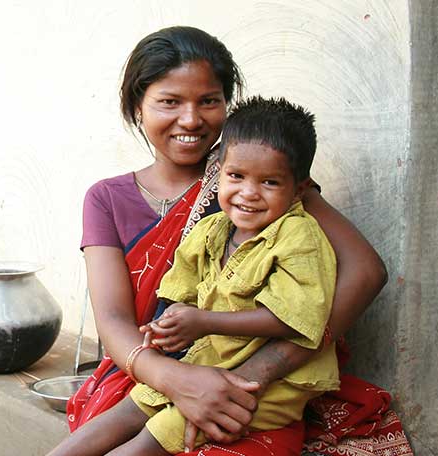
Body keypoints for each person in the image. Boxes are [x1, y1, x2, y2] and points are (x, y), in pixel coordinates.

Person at [60, 26, 388, 455]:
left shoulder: (264, 179)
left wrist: (261, 369)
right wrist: (178, 379)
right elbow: (116, 322)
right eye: (169, 102)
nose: (191, 119)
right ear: (137, 106)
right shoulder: (106, 198)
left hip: (253, 376)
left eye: (209, 101)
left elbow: (366, 272)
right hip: (148, 371)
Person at [52, 96, 339, 455]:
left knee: (150, 438)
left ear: (299, 189)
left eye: (269, 182)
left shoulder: (299, 237)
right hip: (208, 358)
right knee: (131, 407)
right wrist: (166, 327)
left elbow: (292, 320)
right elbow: (178, 292)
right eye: (236, 176)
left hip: (271, 384)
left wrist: (203, 321)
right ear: (220, 172)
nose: (248, 193)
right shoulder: (214, 230)